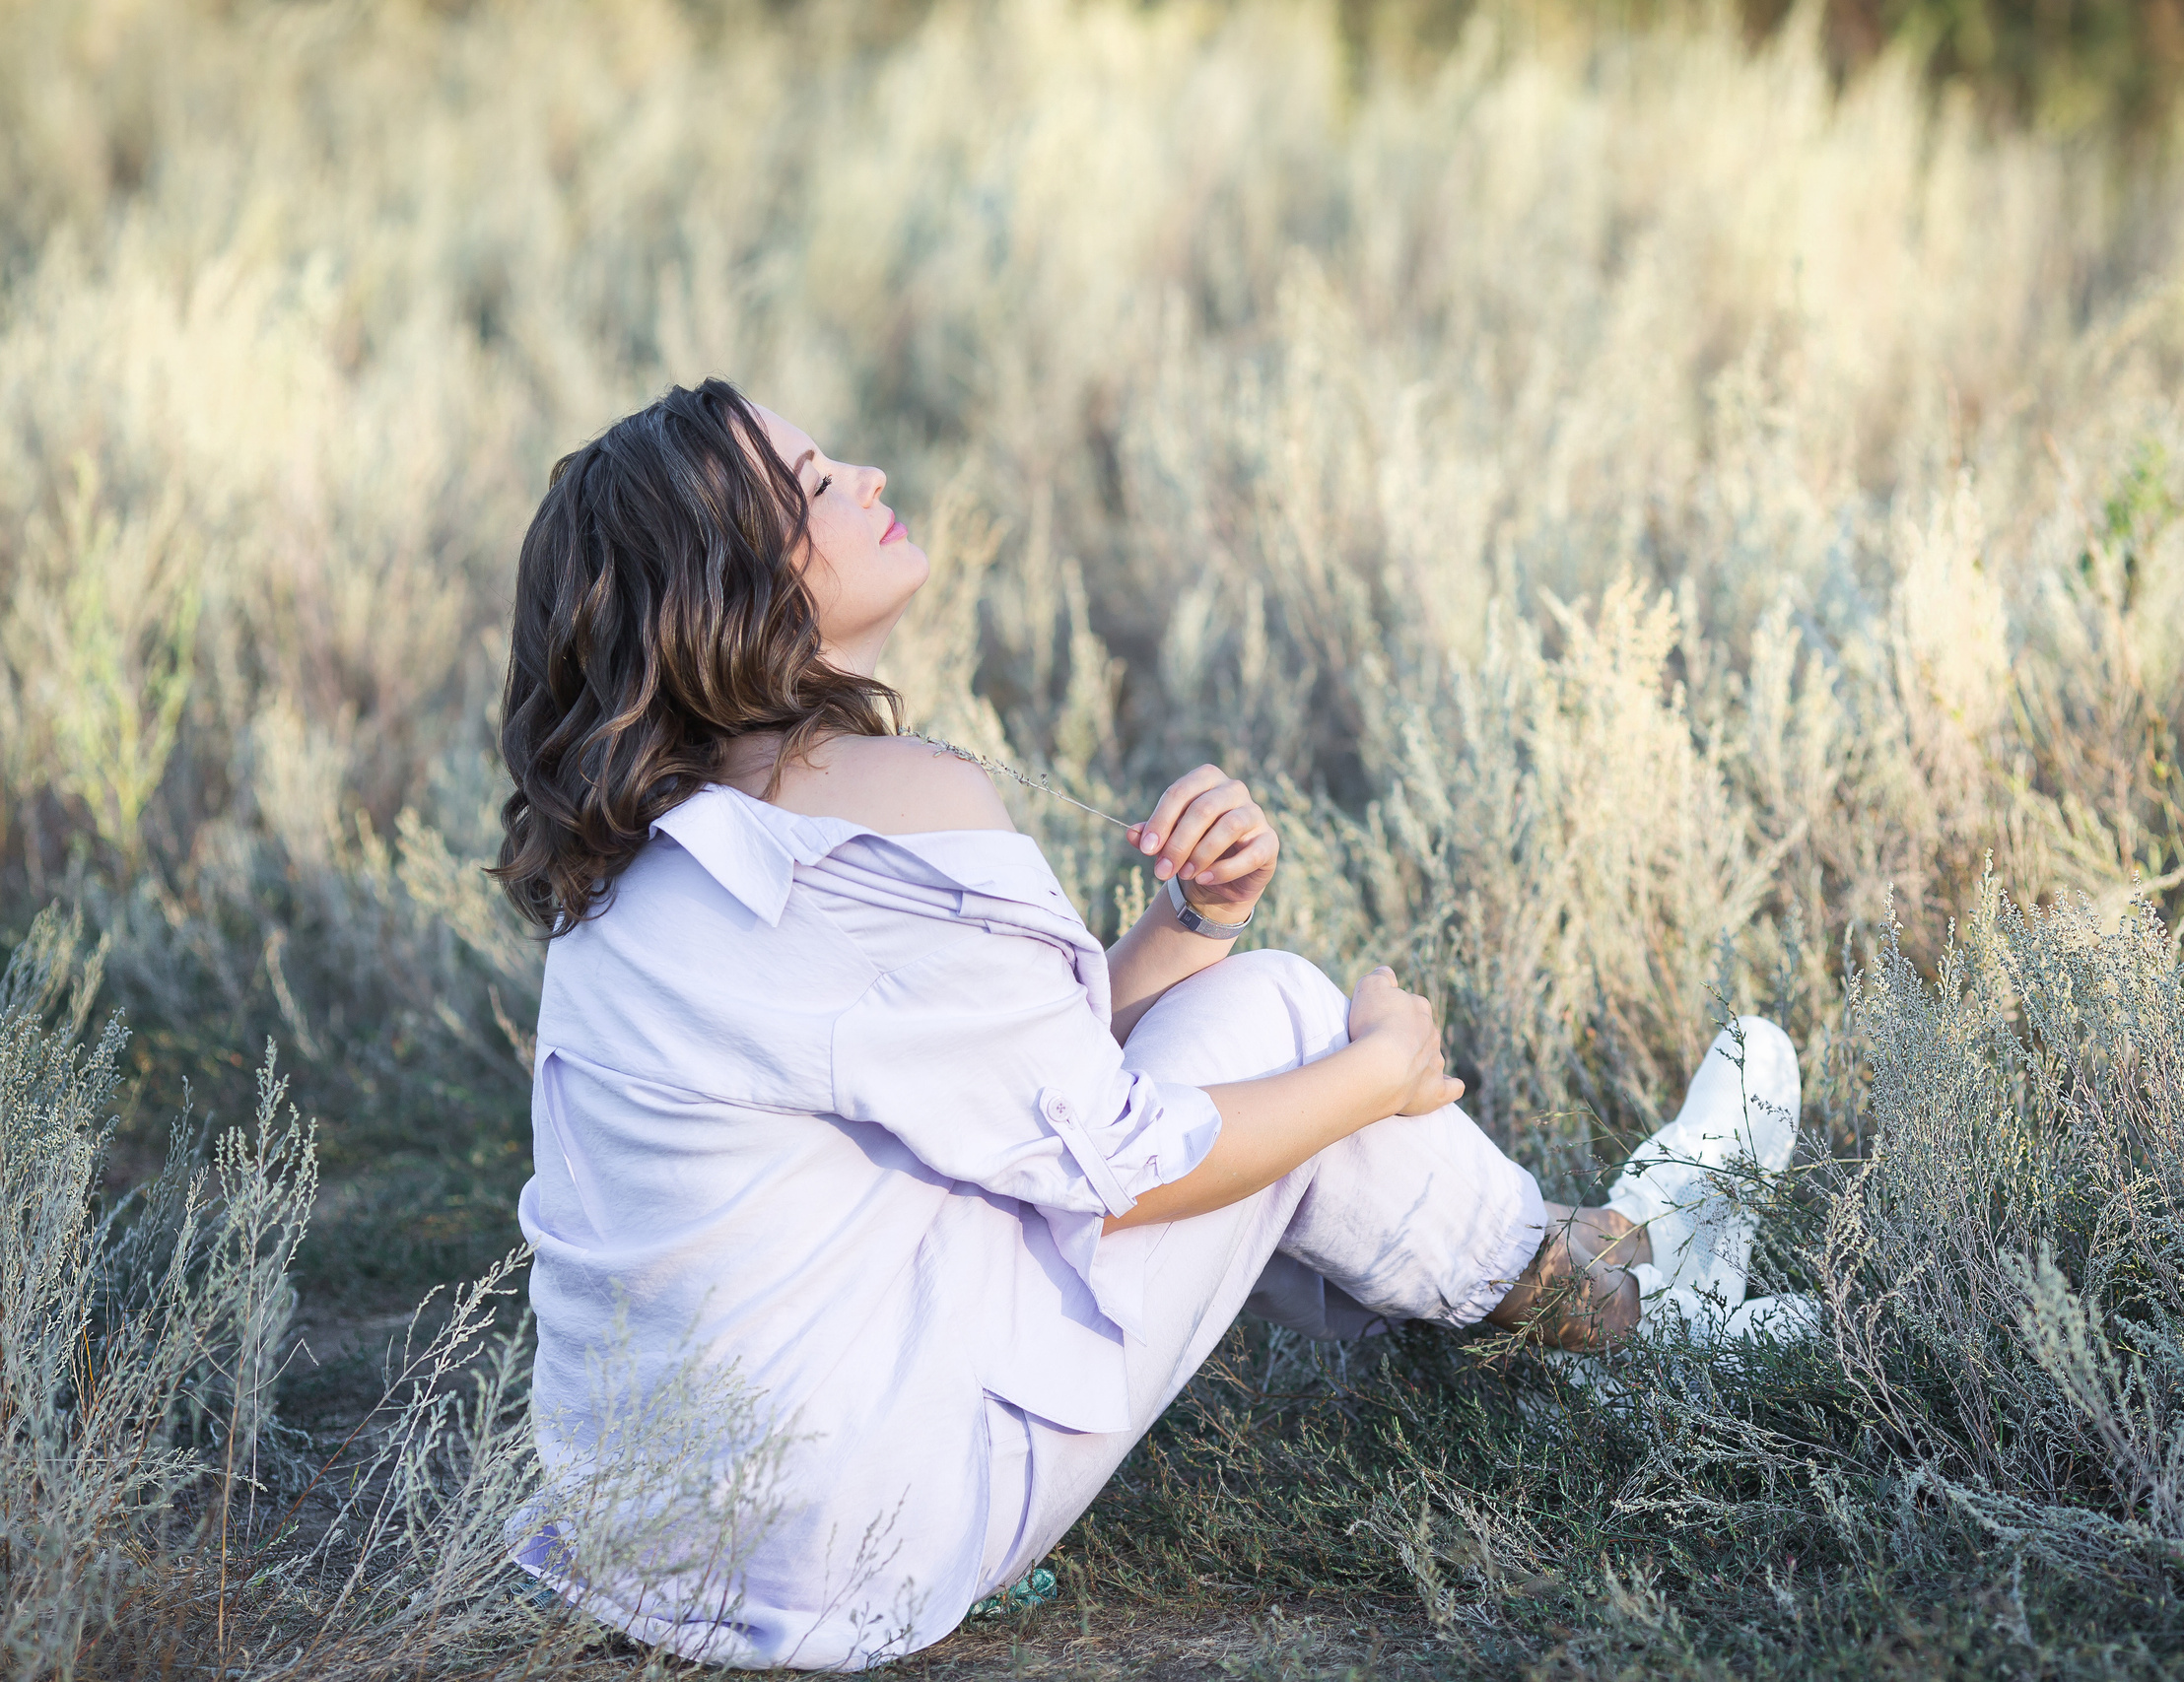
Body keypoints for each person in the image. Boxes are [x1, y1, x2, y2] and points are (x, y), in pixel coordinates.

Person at [494, 377, 1800, 1670]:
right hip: (861, 1545)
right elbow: (1120, 1169)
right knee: (1288, 1015)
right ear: (732, 586)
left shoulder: (656, 849)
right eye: (818, 484)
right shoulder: (888, 806)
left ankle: (1589, 1265)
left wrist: (1188, 920)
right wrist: (1381, 1065)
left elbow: (997, 1085)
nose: (870, 478)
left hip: (667, 1548)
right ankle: (1631, 1310)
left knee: (1252, 1002)